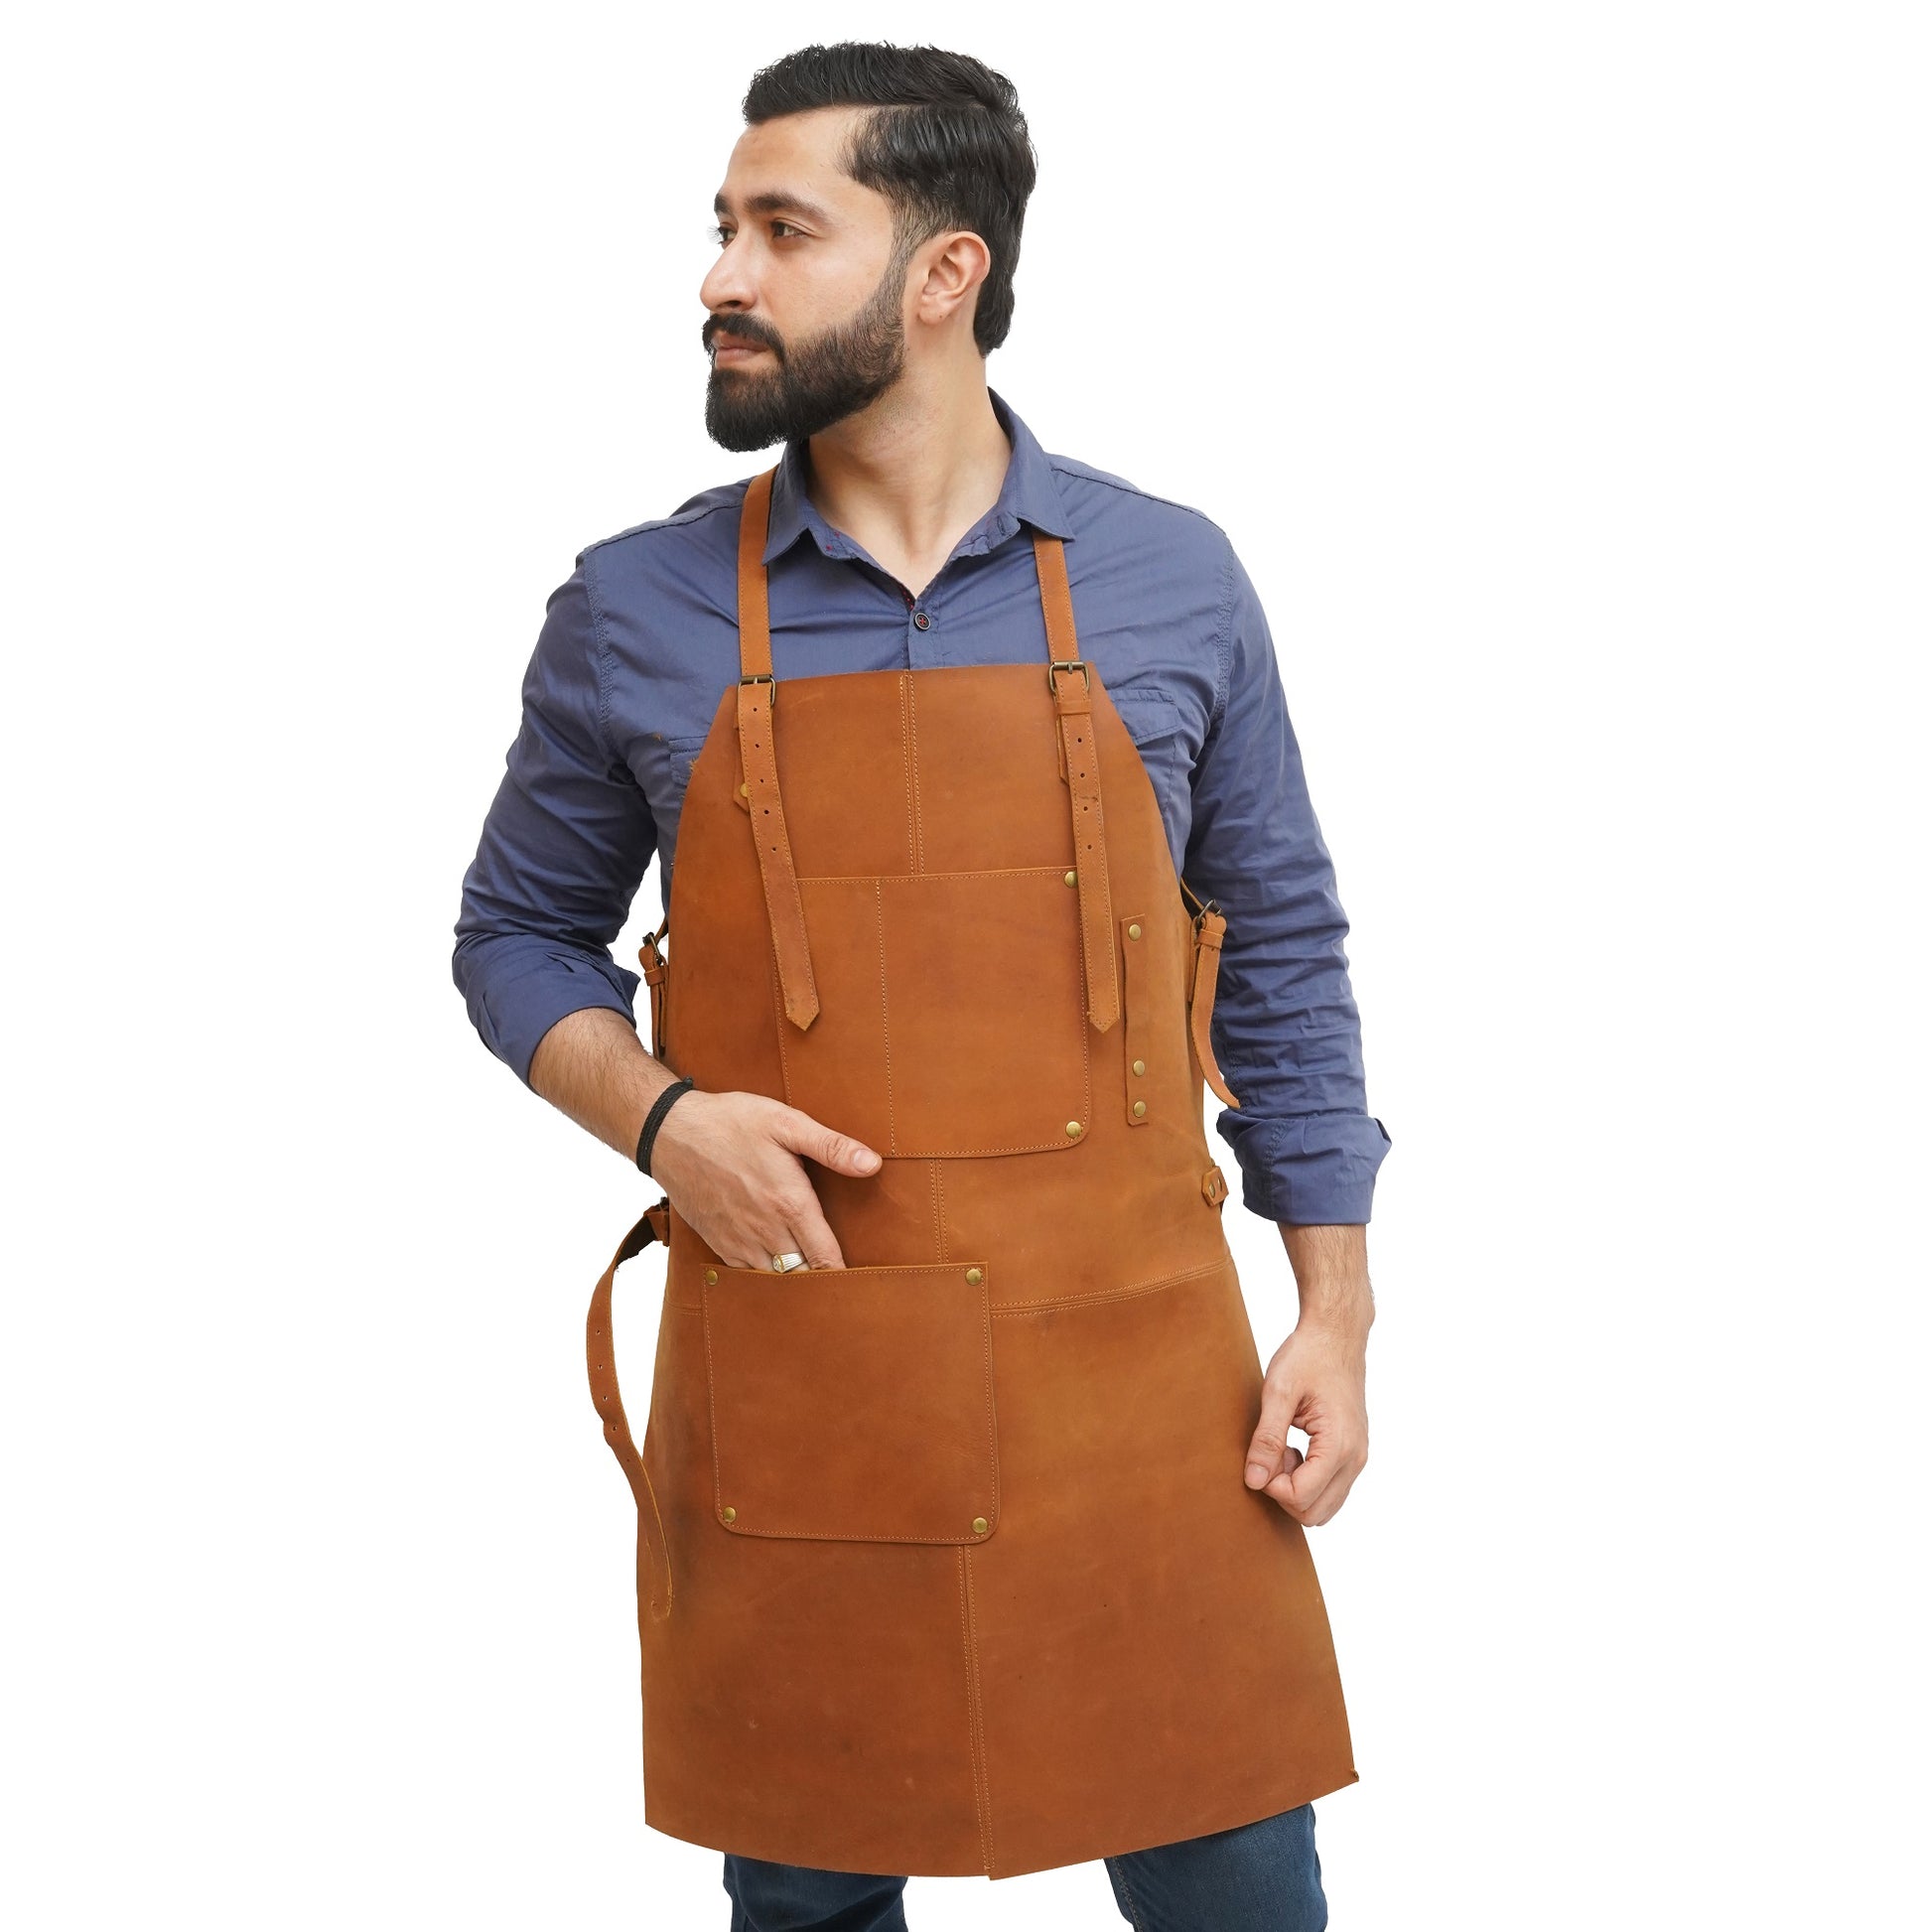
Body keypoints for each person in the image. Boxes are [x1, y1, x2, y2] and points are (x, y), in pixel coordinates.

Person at [453, 40, 1390, 1932]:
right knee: (808, 1891)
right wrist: (664, 1118)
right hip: (809, 1380)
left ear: (945, 270)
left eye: (781, 231)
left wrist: (1334, 1309)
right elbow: (513, 936)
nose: (721, 276)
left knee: (1235, 1879)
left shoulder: (1170, 576)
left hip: (1136, 1385)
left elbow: (1279, 947)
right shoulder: (631, 607)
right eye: (722, 228)